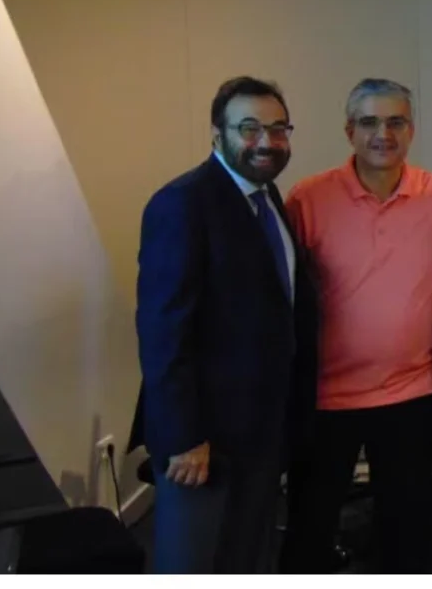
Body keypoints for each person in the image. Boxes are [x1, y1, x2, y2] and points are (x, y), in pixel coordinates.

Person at [133, 76, 318, 573]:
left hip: (261, 430)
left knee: (246, 559)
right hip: (204, 439)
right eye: (249, 128)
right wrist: (183, 437)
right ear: (218, 133)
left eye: (278, 129)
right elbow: (163, 332)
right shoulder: (183, 203)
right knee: (194, 566)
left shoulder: (267, 197)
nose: (266, 141)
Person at [279, 79, 432, 573]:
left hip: (409, 391)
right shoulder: (308, 198)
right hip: (324, 396)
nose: (384, 134)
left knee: (406, 532)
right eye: (370, 122)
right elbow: (281, 293)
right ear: (349, 131)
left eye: (396, 122)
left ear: (411, 130)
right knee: (310, 528)